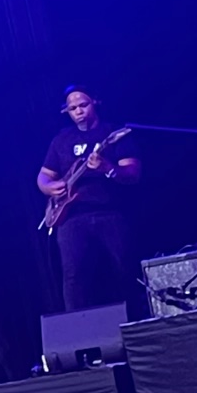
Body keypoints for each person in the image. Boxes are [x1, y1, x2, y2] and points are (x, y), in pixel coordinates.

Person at [38, 85, 140, 311]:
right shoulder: (61, 140)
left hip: (109, 213)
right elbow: (44, 176)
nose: (78, 111)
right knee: (74, 278)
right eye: (72, 108)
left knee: (124, 270)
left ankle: (136, 320)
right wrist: (50, 188)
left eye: (83, 105)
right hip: (71, 218)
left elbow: (133, 172)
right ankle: (78, 327)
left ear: (95, 103)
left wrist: (108, 168)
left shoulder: (112, 134)